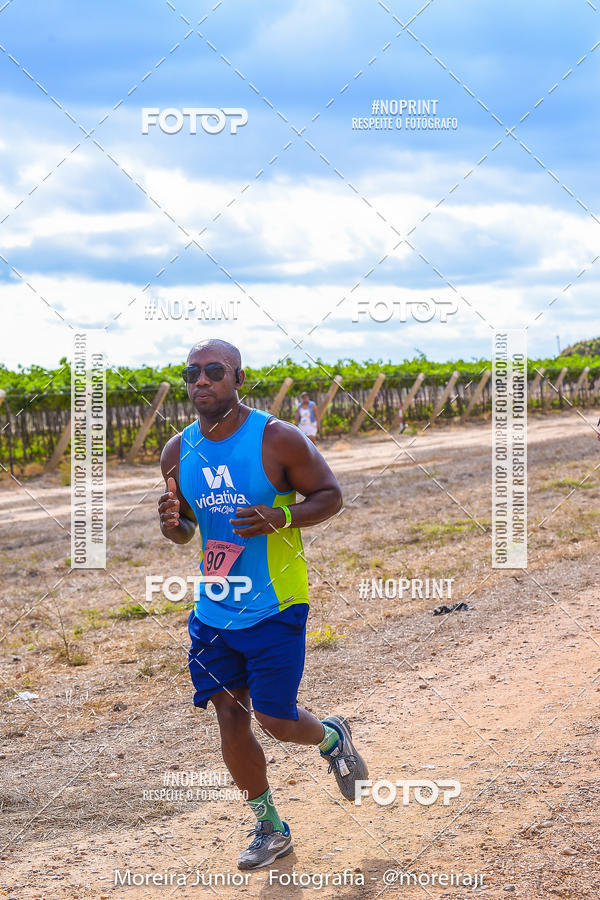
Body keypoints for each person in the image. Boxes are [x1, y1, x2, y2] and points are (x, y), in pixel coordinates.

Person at [157, 339, 367, 870]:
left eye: (213, 371)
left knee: (275, 720)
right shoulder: (177, 451)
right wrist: (173, 526)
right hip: (213, 609)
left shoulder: (278, 438)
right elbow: (184, 529)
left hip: (275, 604)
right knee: (230, 715)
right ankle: (269, 825)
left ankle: (331, 736)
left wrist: (284, 516)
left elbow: (330, 495)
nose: (200, 381)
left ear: (237, 378)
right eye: (191, 373)